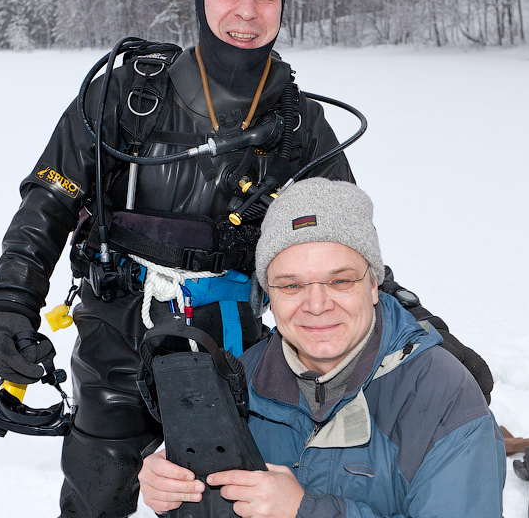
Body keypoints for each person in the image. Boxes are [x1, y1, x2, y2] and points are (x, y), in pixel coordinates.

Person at [0, 0, 492, 518]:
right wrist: (9, 310)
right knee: (99, 490)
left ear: (282, 7)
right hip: (114, 334)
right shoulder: (125, 96)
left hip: (235, 346)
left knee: (226, 500)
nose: (246, 11)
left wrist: (423, 330)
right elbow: (48, 202)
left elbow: (342, 249)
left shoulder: (302, 127)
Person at [140, 178, 506, 517]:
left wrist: (304, 510)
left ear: (374, 284)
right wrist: (175, 490)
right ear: (268, 295)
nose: (316, 305)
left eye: (340, 280)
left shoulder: (443, 396)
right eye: (291, 286)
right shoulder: (242, 380)